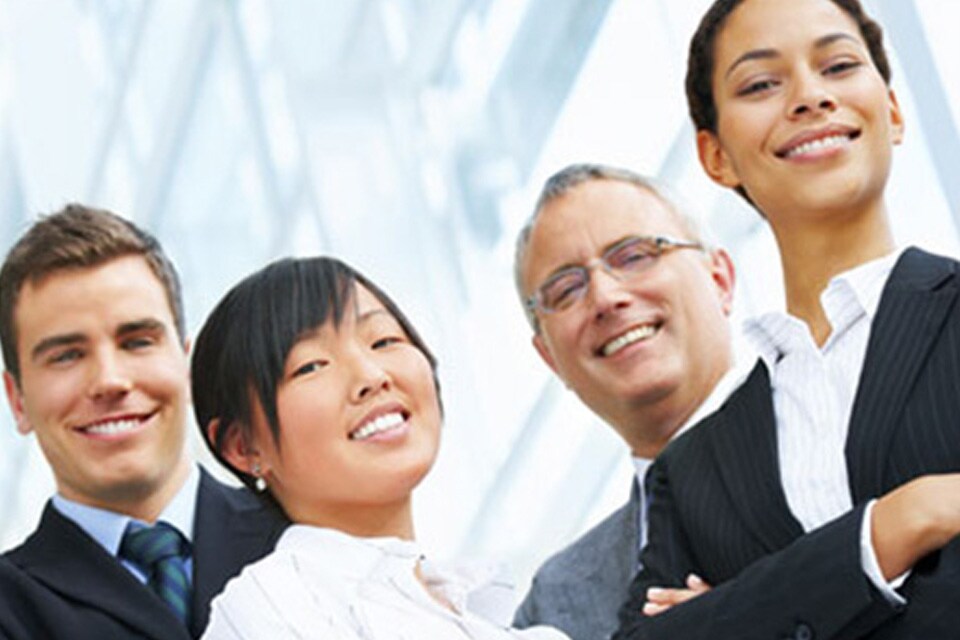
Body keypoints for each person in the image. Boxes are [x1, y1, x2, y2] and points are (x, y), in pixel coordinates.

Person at [615, 1, 960, 638]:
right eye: (760, 84)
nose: (810, 97)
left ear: (892, 110)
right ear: (716, 156)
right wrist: (902, 523)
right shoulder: (690, 476)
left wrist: (741, 608)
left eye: (838, 65)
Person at [190, 255, 569, 639]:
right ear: (244, 446)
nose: (372, 376)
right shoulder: (271, 603)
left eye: (384, 341)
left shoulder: (492, 615)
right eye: (311, 365)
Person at [0, 205, 288, 640]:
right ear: (17, 400)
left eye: (137, 342)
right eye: (67, 355)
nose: (110, 381)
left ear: (186, 364)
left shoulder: (308, 536)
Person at [511, 164, 738, 640]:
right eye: (566, 290)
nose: (605, 297)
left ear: (720, 279)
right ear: (549, 357)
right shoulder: (555, 606)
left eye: (634, 256)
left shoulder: (855, 436)